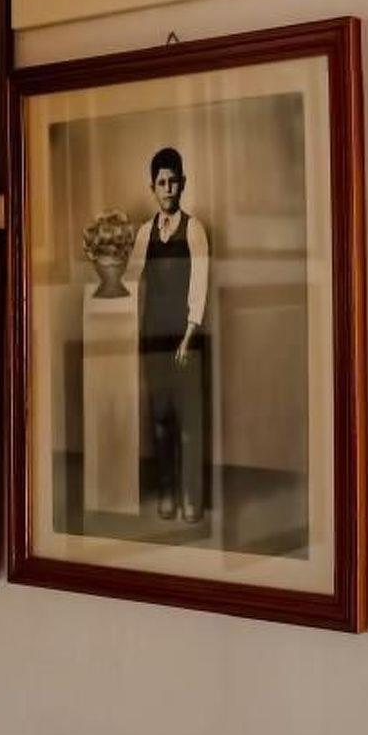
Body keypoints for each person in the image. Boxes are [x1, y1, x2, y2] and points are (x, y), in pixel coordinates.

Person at [126, 146, 211, 522]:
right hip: (153, 339)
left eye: (173, 182)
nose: (168, 189)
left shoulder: (194, 230)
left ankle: (191, 498)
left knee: (188, 422)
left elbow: (199, 286)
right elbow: (130, 281)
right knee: (161, 420)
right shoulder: (145, 233)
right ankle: (167, 493)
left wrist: (188, 336)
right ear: (153, 188)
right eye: (161, 183)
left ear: (183, 184)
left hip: (185, 339)